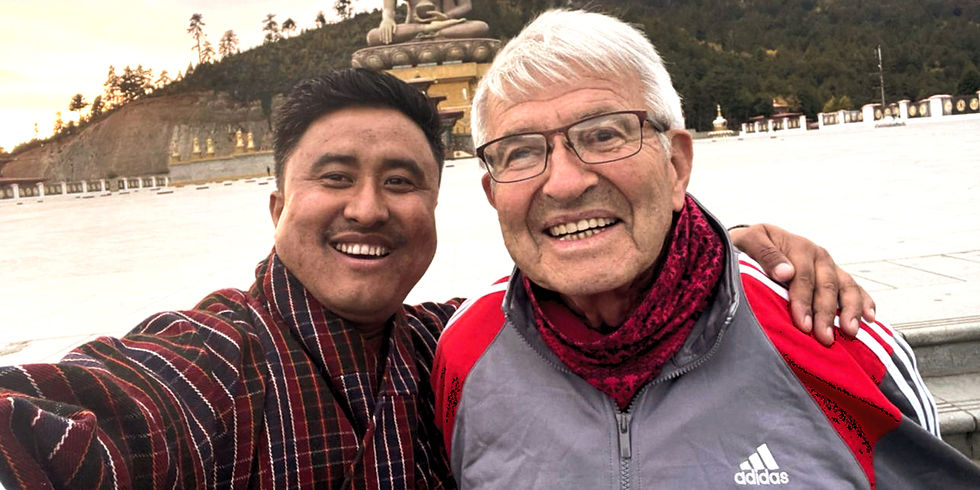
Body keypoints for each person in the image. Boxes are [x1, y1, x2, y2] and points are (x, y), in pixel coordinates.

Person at [0, 68, 868, 489]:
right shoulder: (217, 363)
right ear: (276, 207)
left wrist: (718, 245)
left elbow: (561, 287)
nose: (370, 209)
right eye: (334, 177)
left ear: (443, 207)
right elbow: (86, 414)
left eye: (404, 181)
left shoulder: (443, 343)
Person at [432, 9, 980, 489]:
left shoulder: (824, 329)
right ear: (492, 193)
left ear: (677, 165)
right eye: (521, 153)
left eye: (604, 134)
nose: (565, 183)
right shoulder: (465, 354)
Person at [366, 0, 490, 46]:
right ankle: (427, 30)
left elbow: (466, 5)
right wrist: (387, 20)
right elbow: (388, 9)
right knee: (373, 36)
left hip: (446, 24)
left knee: (480, 27)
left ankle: (433, 32)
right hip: (413, 27)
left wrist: (447, 16)